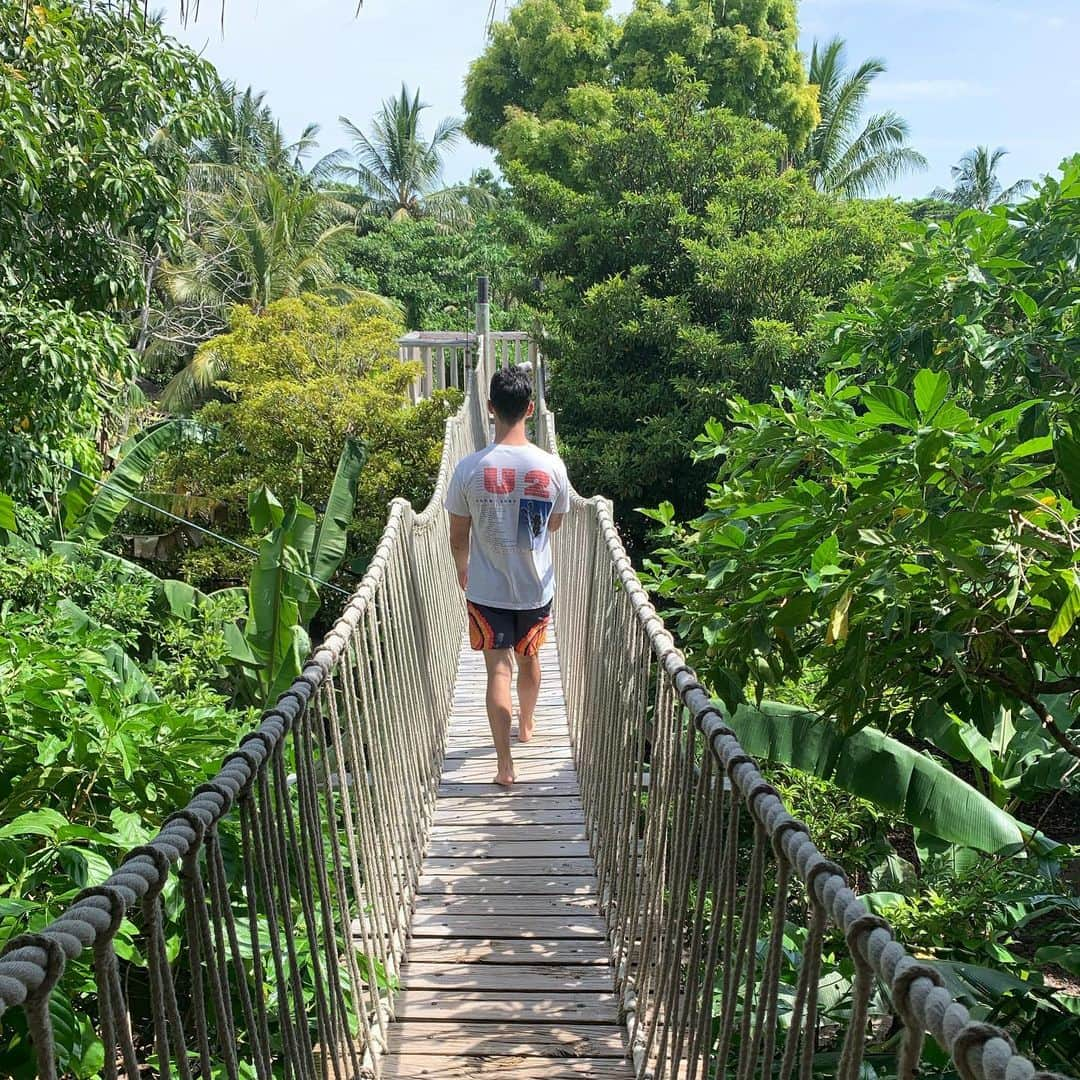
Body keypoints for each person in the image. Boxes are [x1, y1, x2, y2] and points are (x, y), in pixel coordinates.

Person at [445, 365, 569, 787]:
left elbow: (458, 536)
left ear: (490, 408)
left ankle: (504, 766)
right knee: (529, 658)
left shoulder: (467, 469)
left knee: (498, 671)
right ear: (531, 409)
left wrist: (464, 569)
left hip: (486, 590)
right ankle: (528, 725)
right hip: (535, 589)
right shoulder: (551, 468)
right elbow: (553, 526)